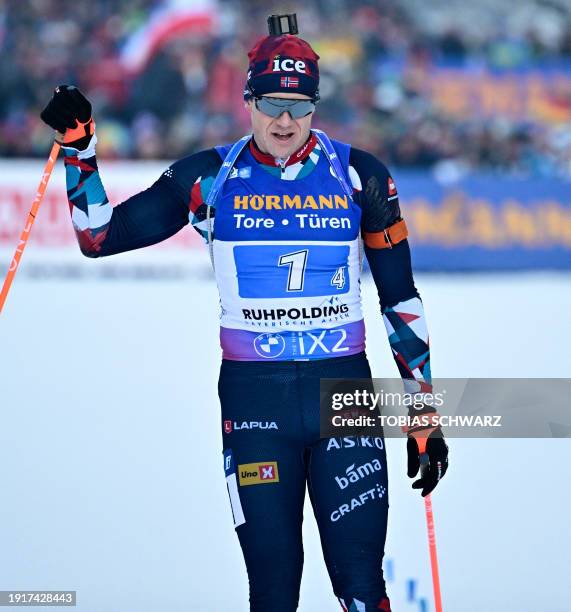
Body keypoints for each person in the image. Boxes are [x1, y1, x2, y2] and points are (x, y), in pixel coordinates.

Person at [40, 25, 448, 612]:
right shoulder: (210, 178)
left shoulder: (360, 176)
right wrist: (80, 150)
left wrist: (423, 413)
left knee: (362, 591)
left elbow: (400, 300)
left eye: (299, 107)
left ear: (314, 106)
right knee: (273, 594)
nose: (285, 122)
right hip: (256, 405)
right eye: (271, 106)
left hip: (345, 396)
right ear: (249, 102)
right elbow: (98, 236)